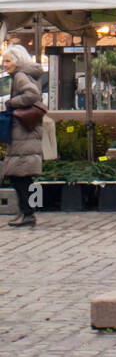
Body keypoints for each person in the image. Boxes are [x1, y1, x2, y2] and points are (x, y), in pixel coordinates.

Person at [2, 44, 46, 227]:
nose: (4, 64)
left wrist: (11, 102)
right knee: (21, 175)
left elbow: (33, 94)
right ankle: (26, 212)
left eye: (7, 60)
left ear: (17, 61)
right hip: (26, 133)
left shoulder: (20, 76)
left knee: (18, 175)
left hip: (23, 133)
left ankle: (27, 213)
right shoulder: (26, 74)